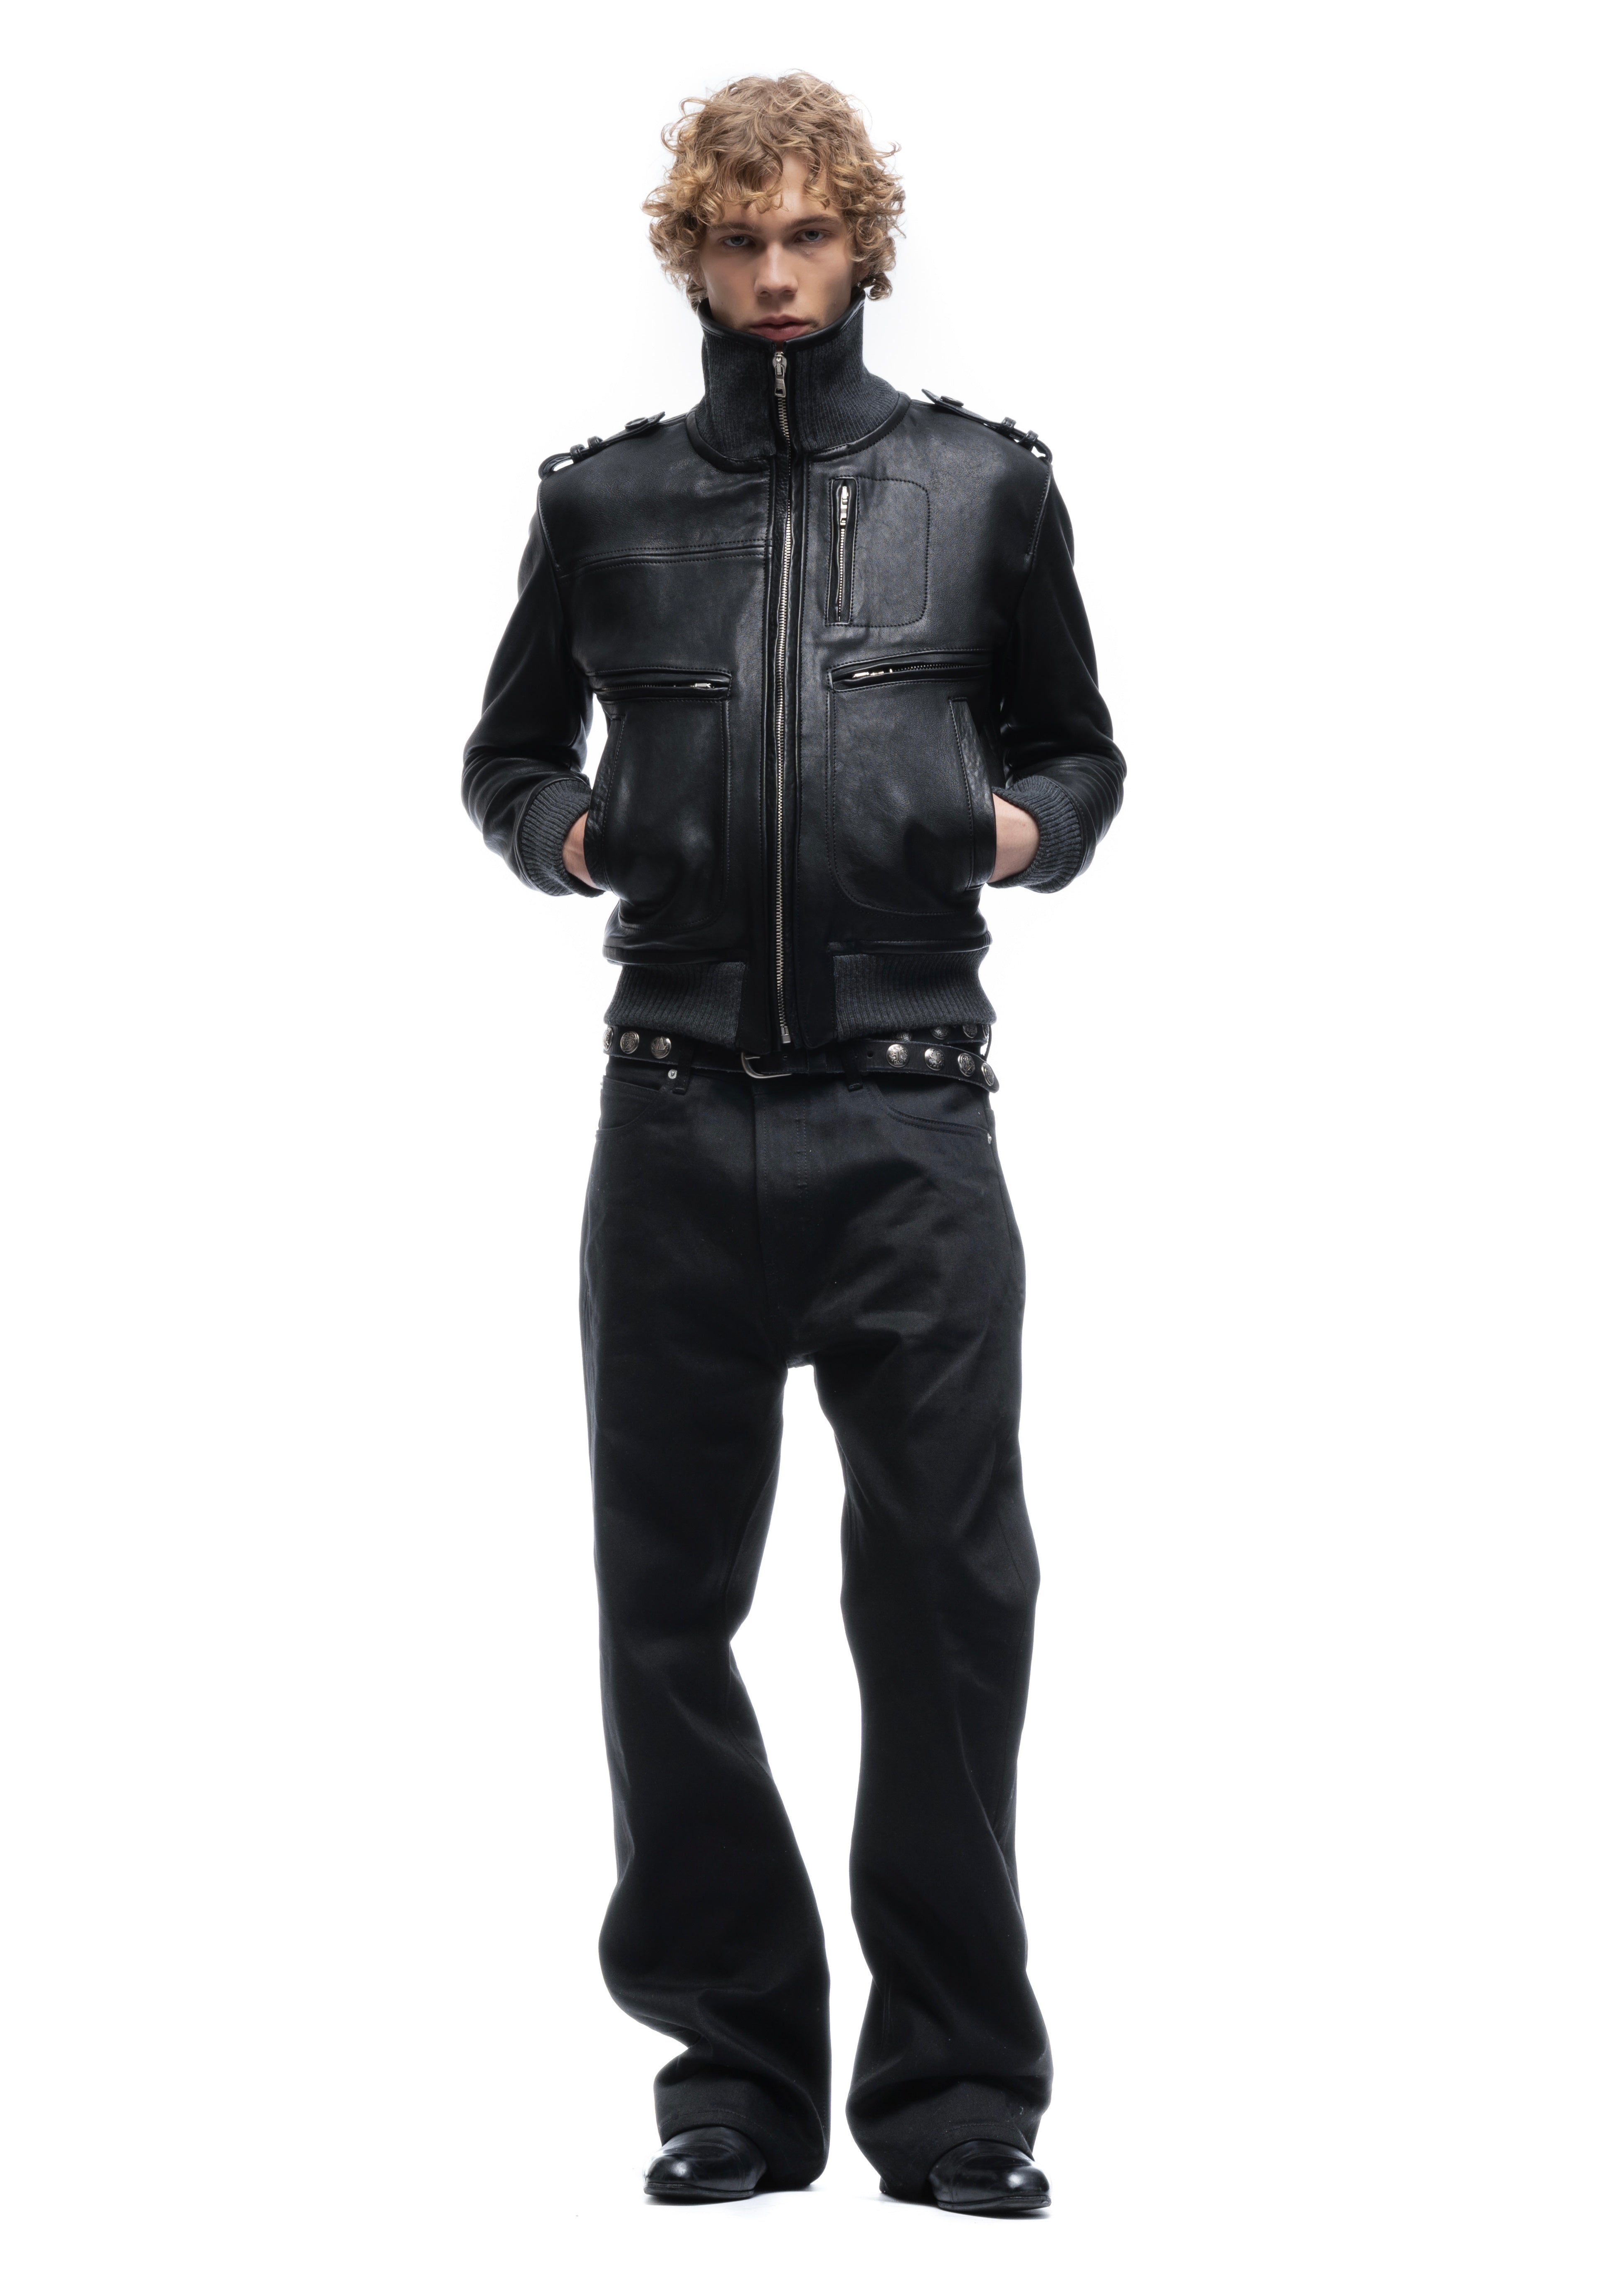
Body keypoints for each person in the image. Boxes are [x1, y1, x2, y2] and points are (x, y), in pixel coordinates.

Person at [461, 71, 1124, 2216]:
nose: (773, 278)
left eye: (807, 238)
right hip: (668, 1125)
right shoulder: (603, 507)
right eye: (738, 241)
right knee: (666, 1611)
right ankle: (733, 2073)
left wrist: (1012, 829)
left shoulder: (985, 487)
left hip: (914, 1128)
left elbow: (1081, 751)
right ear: (693, 254)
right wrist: (574, 836)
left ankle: (956, 2095)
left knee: (947, 1609)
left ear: (862, 247)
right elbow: (504, 754)